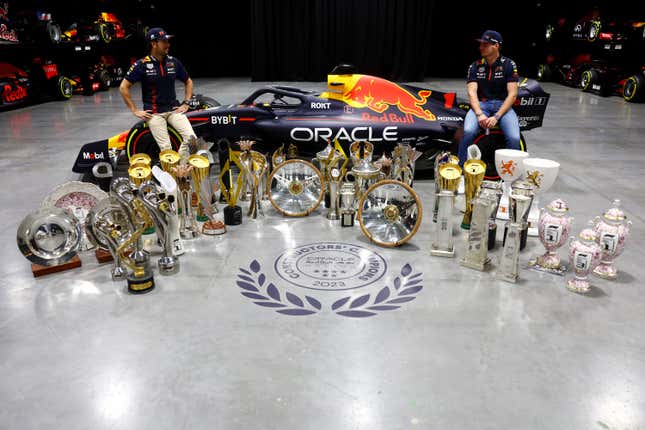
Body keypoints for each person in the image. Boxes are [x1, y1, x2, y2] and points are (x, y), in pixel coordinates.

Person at [119, 27, 196, 161]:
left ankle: (179, 170)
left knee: (192, 139)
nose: (168, 45)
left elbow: (188, 81)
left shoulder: (173, 62)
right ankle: (173, 176)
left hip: (174, 110)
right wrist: (135, 110)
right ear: (153, 44)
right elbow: (123, 87)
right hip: (154, 114)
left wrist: (186, 102)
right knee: (167, 150)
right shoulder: (141, 64)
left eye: (167, 41)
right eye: (164, 42)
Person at [458, 30, 520, 166]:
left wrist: (497, 116)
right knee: (468, 131)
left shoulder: (509, 65)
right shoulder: (475, 66)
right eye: (481, 44)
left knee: (514, 138)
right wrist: (479, 114)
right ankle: (461, 171)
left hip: (503, 106)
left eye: (485, 45)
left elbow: (513, 94)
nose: (481, 47)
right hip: (481, 105)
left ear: (496, 46)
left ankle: (512, 176)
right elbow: (471, 92)